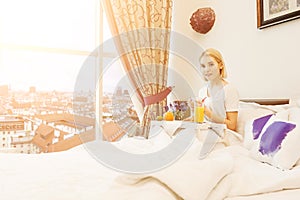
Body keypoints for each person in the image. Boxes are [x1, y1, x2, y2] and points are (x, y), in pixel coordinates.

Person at [197, 48, 239, 131]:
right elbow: (200, 120)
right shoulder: (202, 91)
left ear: (220, 65)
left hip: (223, 134)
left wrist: (208, 113)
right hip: (204, 130)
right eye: (203, 66)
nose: (207, 70)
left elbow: (232, 125)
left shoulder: (229, 90)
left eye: (211, 64)